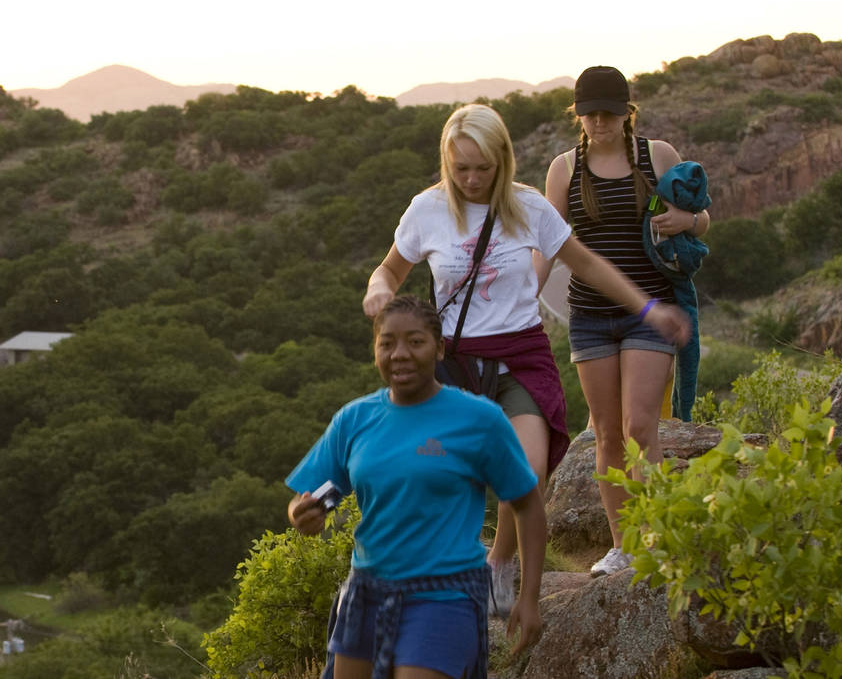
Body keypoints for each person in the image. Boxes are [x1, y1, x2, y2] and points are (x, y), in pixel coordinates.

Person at [361, 103, 688, 609]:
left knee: (527, 473)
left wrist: (647, 309)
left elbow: (588, 265)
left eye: (483, 168)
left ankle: (500, 565)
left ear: (503, 161)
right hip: (455, 362)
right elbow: (388, 270)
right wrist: (379, 294)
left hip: (520, 357)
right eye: (461, 168)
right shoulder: (426, 210)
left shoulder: (529, 206)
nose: (471, 179)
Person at [286, 294, 544, 679]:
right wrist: (302, 514)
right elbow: (318, 495)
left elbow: (527, 504)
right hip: (367, 591)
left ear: (440, 349)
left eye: (415, 341)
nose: (400, 354)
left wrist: (529, 598)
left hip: (445, 595)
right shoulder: (355, 419)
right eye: (387, 343)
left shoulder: (479, 420)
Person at [543, 66, 709, 577]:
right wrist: (516, 296)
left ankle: (656, 536)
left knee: (641, 425)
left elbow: (702, 217)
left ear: (626, 112)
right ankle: (624, 546)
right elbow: (550, 242)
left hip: (649, 311)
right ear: (579, 115)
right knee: (608, 435)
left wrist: (686, 221)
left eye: (609, 113)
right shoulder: (563, 167)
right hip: (590, 317)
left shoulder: (655, 156)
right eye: (589, 113)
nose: (599, 122)